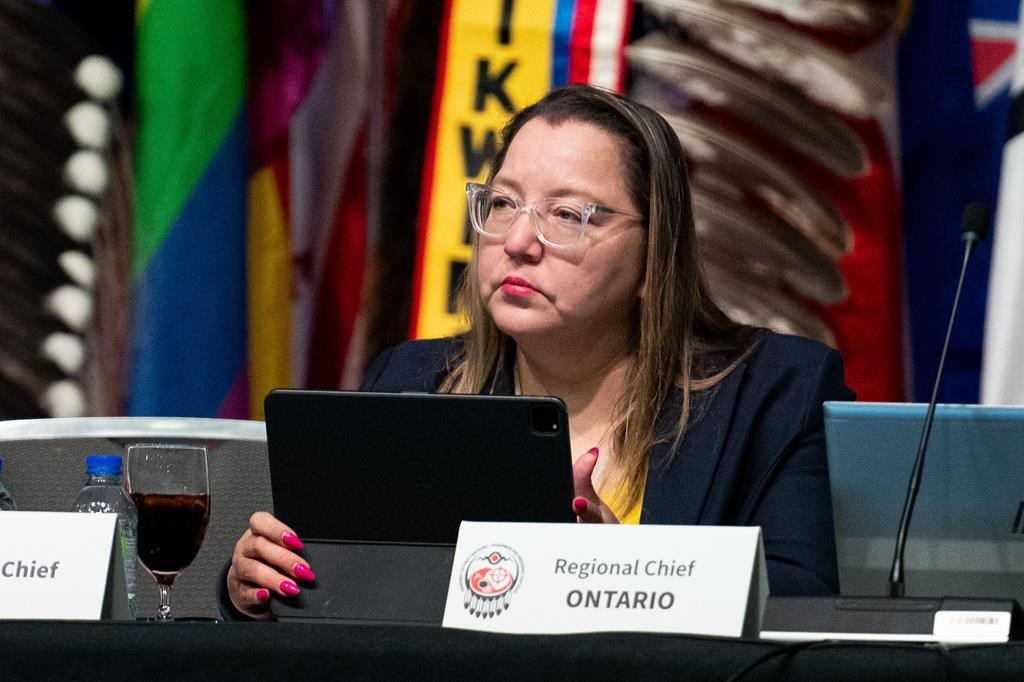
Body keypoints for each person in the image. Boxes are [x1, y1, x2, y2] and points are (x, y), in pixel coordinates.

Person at [223, 83, 855, 619]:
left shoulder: (779, 394)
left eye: (569, 214)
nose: (519, 240)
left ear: (654, 253)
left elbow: (803, 612)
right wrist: (259, 587)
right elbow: (356, 603)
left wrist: (628, 579)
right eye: (503, 204)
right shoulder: (413, 379)